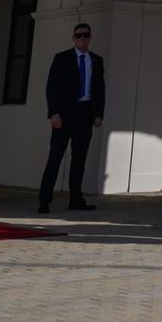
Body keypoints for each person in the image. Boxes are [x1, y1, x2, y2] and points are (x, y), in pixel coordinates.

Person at [37, 23, 104, 214]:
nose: (82, 38)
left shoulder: (96, 61)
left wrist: (99, 113)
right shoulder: (62, 58)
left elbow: (100, 89)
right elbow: (52, 88)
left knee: (79, 159)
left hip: (85, 114)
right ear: (73, 38)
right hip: (64, 116)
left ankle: (76, 199)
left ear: (90, 37)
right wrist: (54, 113)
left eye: (86, 35)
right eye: (78, 35)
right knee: (55, 156)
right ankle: (44, 200)